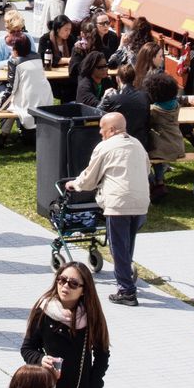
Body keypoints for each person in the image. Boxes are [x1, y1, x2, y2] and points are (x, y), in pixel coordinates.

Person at [66, 111, 150, 306]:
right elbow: (146, 170)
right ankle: (126, 275)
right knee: (127, 243)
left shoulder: (105, 147)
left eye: (102, 129)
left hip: (119, 203)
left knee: (118, 246)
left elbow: (90, 178)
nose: (100, 133)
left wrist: (75, 184)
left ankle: (126, 290)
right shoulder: (137, 144)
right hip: (141, 202)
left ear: (112, 129)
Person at [20, 262, 109, 388]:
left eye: (73, 283)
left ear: (84, 290)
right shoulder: (44, 310)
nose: (65, 286)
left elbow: (102, 353)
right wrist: (41, 359)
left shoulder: (91, 315)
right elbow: (27, 349)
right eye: (62, 280)